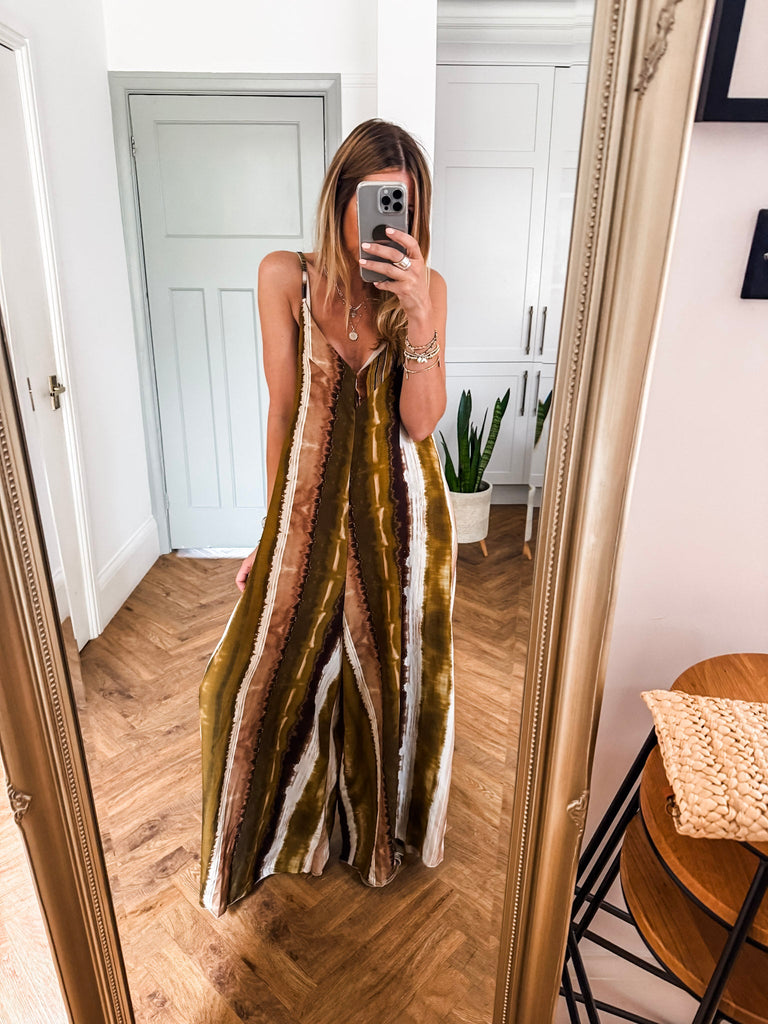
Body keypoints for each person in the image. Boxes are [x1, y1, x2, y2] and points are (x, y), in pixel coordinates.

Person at [199, 119, 456, 918]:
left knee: (386, 687)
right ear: (339, 196)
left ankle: (371, 837)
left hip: (399, 516)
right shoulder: (286, 276)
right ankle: (265, 842)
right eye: (372, 200)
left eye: (400, 205)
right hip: (308, 504)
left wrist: (419, 315)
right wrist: (271, 531)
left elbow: (421, 423)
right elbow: (282, 410)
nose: (385, 222)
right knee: (244, 687)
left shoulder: (428, 289)